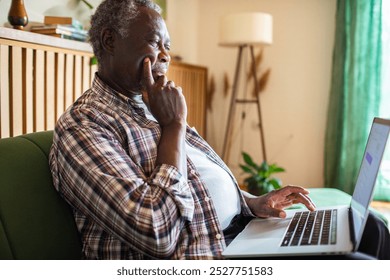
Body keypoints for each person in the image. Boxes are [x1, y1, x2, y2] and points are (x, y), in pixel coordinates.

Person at [49, 0, 387, 260]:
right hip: (206, 259)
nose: (166, 55)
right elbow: (157, 231)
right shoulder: (84, 127)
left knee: (370, 229)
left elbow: (198, 183)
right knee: (359, 260)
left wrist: (252, 203)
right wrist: (174, 127)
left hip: (238, 236)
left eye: (169, 45)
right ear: (110, 40)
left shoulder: (151, 106)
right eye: (155, 43)